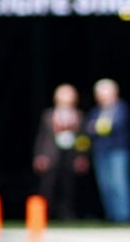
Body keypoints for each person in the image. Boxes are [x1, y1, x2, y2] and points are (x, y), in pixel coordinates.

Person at [33, 84, 89, 221]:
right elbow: (42, 138)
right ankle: (44, 214)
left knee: (68, 187)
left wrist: (82, 156)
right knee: (48, 185)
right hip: (52, 155)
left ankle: (67, 213)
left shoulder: (79, 115)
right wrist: (39, 156)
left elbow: (83, 139)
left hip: (70, 154)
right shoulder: (49, 115)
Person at [87, 78, 130, 223]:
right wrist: (102, 126)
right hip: (100, 151)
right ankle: (111, 216)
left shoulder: (121, 108)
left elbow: (114, 126)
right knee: (105, 185)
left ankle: (123, 217)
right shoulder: (96, 111)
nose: (102, 95)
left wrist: (99, 127)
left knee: (119, 184)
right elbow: (89, 129)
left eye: (105, 92)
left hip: (118, 151)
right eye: (99, 93)